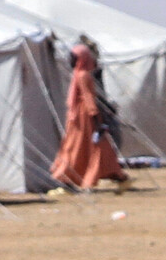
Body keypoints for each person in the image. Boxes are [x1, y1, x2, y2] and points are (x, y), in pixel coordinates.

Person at [50, 38, 126, 192]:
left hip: (83, 117)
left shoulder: (83, 75)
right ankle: (72, 179)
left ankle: (69, 179)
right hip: (78, 116)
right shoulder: (80, 74)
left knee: (76, 147)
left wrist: (95, 116)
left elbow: (88, 97)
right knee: (80, 148)